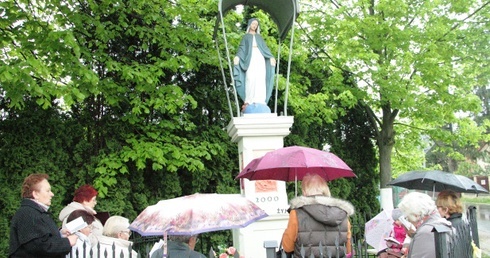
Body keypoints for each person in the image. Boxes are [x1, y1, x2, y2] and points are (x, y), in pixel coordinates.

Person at [281, 173, 354, 257]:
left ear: (304, 191)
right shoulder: (342, 213)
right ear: (325, 189)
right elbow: (348, 248)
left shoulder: (297, 213)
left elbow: (288, 247)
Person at [9, 173, 78, 258]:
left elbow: (40, 239)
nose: (52, 194)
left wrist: (59, 234)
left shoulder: (34, 212)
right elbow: (39, 247)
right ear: (36, 194)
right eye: (48, 191)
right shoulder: (28, 214)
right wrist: (67, 242)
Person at [233, 17, 276, 114]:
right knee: (250, 77)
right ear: (250, 24)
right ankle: (249, 99)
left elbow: (265, 49)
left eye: (256, 25)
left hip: (260, 58)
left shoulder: (259, 37)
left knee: (260, 78)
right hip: (250, 59)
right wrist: (237, 57)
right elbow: (242, 49)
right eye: (253, 24)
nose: (254, 26)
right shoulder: (246, 37)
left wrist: (271, 57)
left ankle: (260, 99)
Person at [398, 191, 452, 258]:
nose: (408, 220)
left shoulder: (426, 232)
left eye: (407, 217)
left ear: (415, 214)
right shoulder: (439, 223)